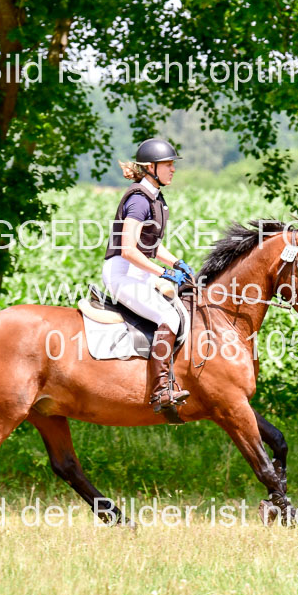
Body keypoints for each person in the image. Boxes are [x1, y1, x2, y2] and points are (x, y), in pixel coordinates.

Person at [102, 138, 196, 413]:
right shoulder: (139, 201)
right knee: (167, 317)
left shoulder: (155, 198)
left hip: (139, 273)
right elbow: (129, 250)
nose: (172, 169)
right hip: (123, 274)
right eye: (168, 164)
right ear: (151, 167)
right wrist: (164, 272)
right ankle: (160, 392)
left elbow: (151, 245)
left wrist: (177, 262)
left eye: (172, 164)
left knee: (183, 306)